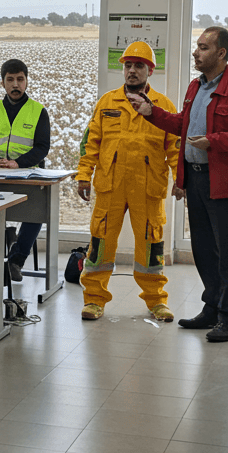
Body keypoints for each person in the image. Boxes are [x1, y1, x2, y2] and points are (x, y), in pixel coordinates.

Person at [135, 26, 228, 341]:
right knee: (205, 250)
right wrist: (152, 113)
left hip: (225, 183)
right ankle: (212, 308)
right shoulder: (196, 87)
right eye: (198, 46)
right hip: (196, 177)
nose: (196, 51)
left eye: (203, 47)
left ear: (221, 54)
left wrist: (214, 142)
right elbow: (183, 124)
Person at [74, 41, 179, 321]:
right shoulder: (107, 103)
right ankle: (94, 299)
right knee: (100, 243)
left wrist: (181, 179)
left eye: (139, 66)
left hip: (148, 187)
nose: (132, 71)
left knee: (151, 245)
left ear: (150, 71)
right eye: (128, 65)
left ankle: (156, 301)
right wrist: (84, 175)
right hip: (111, 186)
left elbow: (175, 148)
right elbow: (90, 143)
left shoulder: (163, 107)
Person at [0, 58, 51, 282]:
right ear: (3, 83)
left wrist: (18, 164)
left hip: (28, 173)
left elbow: (42, 147)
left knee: (36, 214)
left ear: (27, 82)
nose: (15, 84)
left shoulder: (38, 111)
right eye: (10, 80)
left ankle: (16, 261)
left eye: (20, 79)